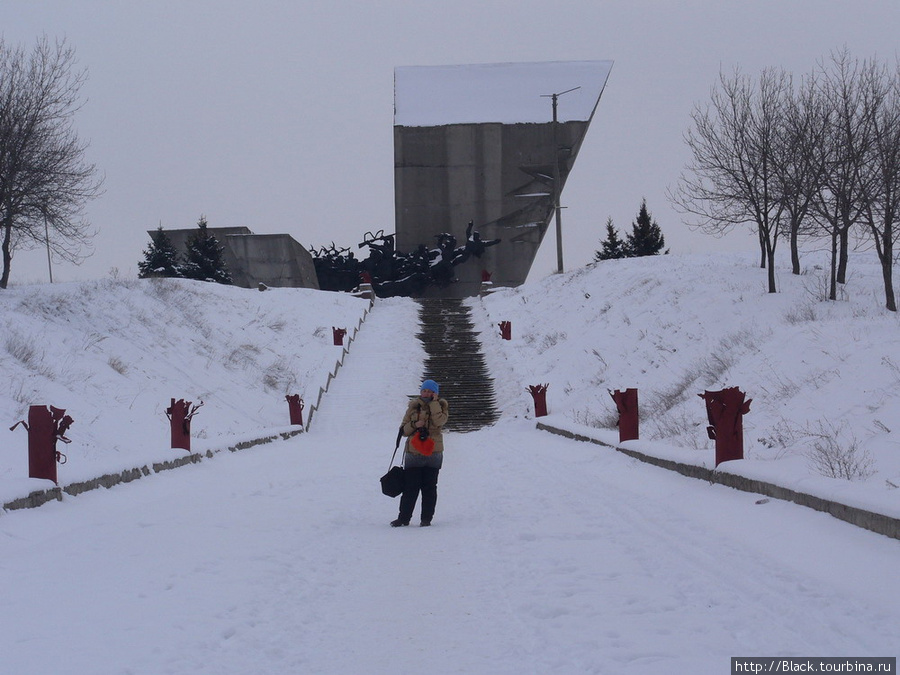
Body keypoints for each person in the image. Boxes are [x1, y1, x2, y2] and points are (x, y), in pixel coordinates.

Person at [391, 379, 449, 527]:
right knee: (410, 487)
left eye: (430, 391)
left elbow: (440, 421)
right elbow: (403, 430)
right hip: (414, 453)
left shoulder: (441, 405)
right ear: (421, 391)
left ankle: (426, 519)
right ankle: (403, 518)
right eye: (425, 390)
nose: (427, 393)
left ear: (435, 393)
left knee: (430, 488)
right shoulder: (413, 406)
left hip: (433, 452)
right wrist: (414, 425)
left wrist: (434, 404)